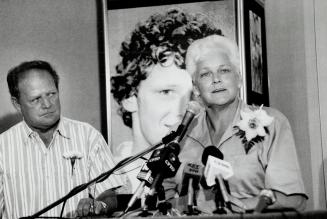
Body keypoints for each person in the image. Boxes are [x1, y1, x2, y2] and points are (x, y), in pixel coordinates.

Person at [167, 34, 308, 214]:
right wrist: (194, 206)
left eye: (224, 70)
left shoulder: (271, 123)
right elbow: (164, 198)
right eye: (205, 74)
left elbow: (294, 199)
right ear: (195, 88)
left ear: (239, 78)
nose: (216, 79)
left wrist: (238, 205)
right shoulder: (181, 133)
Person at [110, 8, 223, 195]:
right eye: (167, 92)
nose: (184, 112)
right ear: (129, 97)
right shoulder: (105, 179)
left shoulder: (209, 175)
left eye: (196, 95)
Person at [0, 60, 123, 218]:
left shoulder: (88, 136)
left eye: (51, 94)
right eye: (36, 99)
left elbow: (109, 196)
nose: (47, 104)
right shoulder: (3, 147)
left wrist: (99, 204)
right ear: (17, 103)